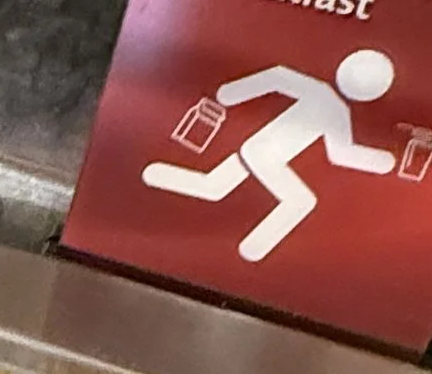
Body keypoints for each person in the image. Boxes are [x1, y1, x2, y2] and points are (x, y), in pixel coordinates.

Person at [143, 46, 397, 263]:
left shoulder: (322, 95)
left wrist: (230, 93)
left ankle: (156, 174)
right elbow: (341, 153)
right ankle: (251, 251)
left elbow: (276, 77)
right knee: (301, 201)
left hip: (256, 148)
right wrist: (382, 161)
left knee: (215, 186)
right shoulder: (335, 108)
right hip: (267, 157)